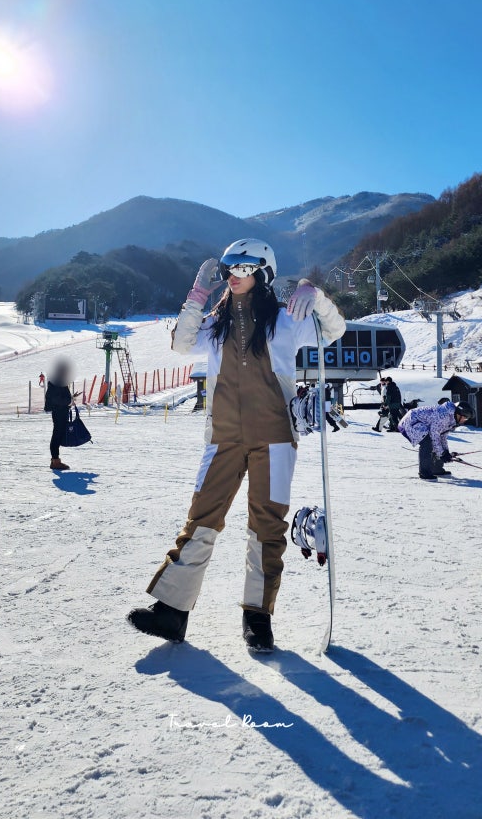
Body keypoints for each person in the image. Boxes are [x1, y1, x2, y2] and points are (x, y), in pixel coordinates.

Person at [127, 238, 346, 652]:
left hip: (275, 438)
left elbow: (334, 331)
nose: (235, 275)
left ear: (263, 273)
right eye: (230, 268)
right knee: (201, 518)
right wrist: (197, 296)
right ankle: (172, 611)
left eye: (245, 268)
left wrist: (314, 294)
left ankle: (258, 618)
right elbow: (181, 343)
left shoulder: (286, 320)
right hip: (223, 438)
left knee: (267, 526)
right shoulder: (215, 325)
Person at [399, 399, 474, 480]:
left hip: (419, 423)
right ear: (459, 414)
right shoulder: (443, 416)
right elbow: (434, 436)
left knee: (436, 445)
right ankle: (424, 473)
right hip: (409, 422)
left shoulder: (450, 418)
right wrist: (442, 454)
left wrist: (445, 452)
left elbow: (442, 436)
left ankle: (436, 469)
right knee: (427, 443)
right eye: (464, 418)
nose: (464, 421)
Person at [45, 359, 80, 470]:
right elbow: (55, 399)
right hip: (58, 412)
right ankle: (55, 461)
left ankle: (55, 460)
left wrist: (71, 398)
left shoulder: (59, 381)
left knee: (58, 435)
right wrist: (69, 401)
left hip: (61, 411)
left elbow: (60, 397)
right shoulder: (55, 382)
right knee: (57, 436)